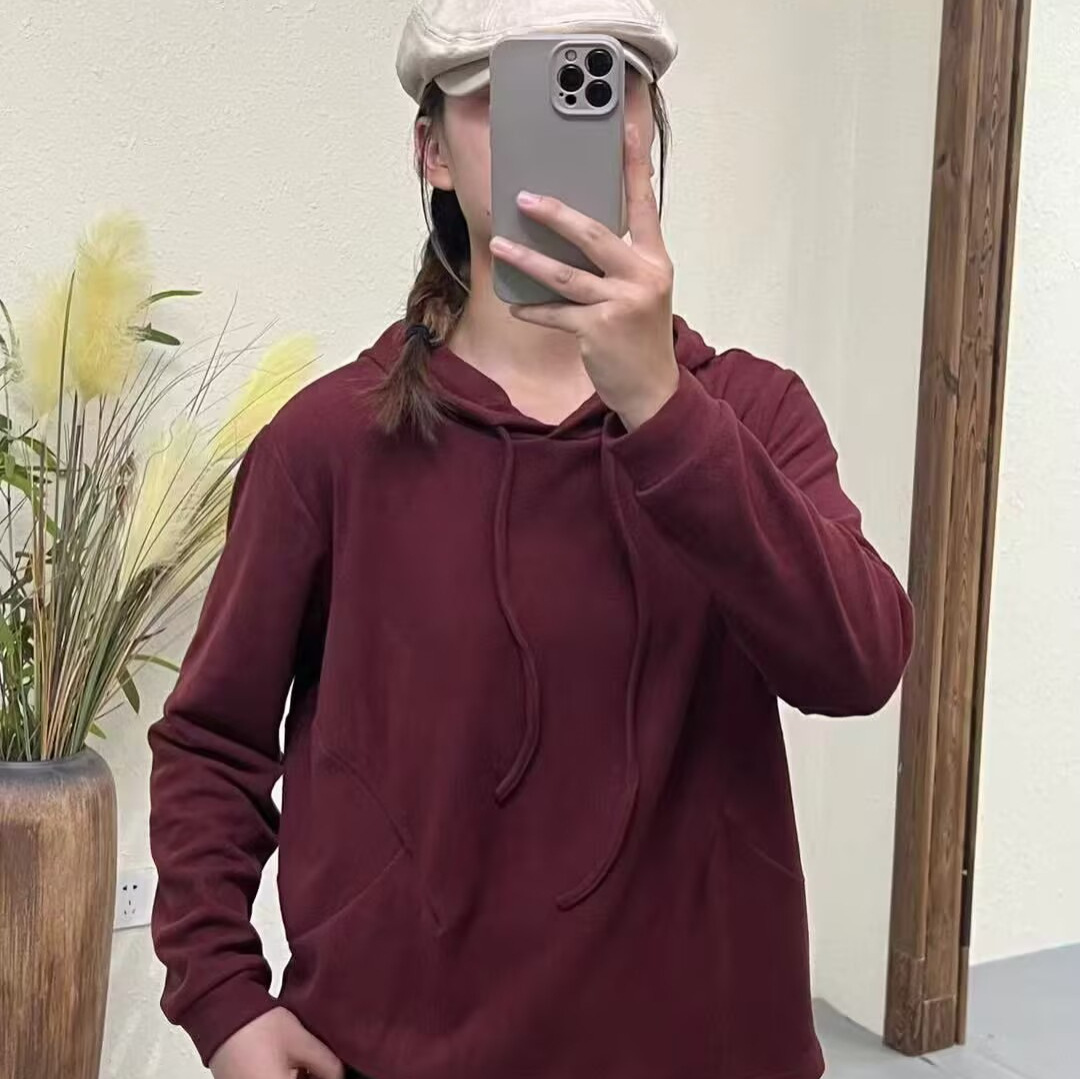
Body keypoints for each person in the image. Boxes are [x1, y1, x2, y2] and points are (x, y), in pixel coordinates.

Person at [147, 2, 915, 1077]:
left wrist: (663, 408)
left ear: (646, 129)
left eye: (598, 87)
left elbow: (860, 663)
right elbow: (212, 740)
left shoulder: (751, 412)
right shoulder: (327, 446)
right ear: (432, 152)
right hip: (399, 1049)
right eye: (504, 96)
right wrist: (223, 996)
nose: (556, 126)